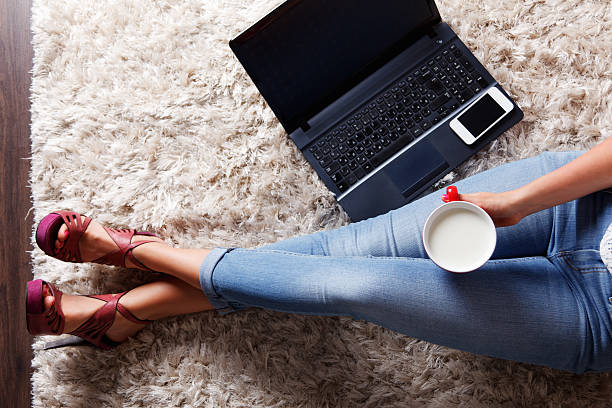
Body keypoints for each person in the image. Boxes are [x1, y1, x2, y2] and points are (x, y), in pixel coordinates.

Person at [26, 138, 612, 374]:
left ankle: (147, 255)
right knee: (335, 250)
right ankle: (133, 311)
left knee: (355, 285)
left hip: (596, 317)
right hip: (580, 203)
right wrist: (518, 202)